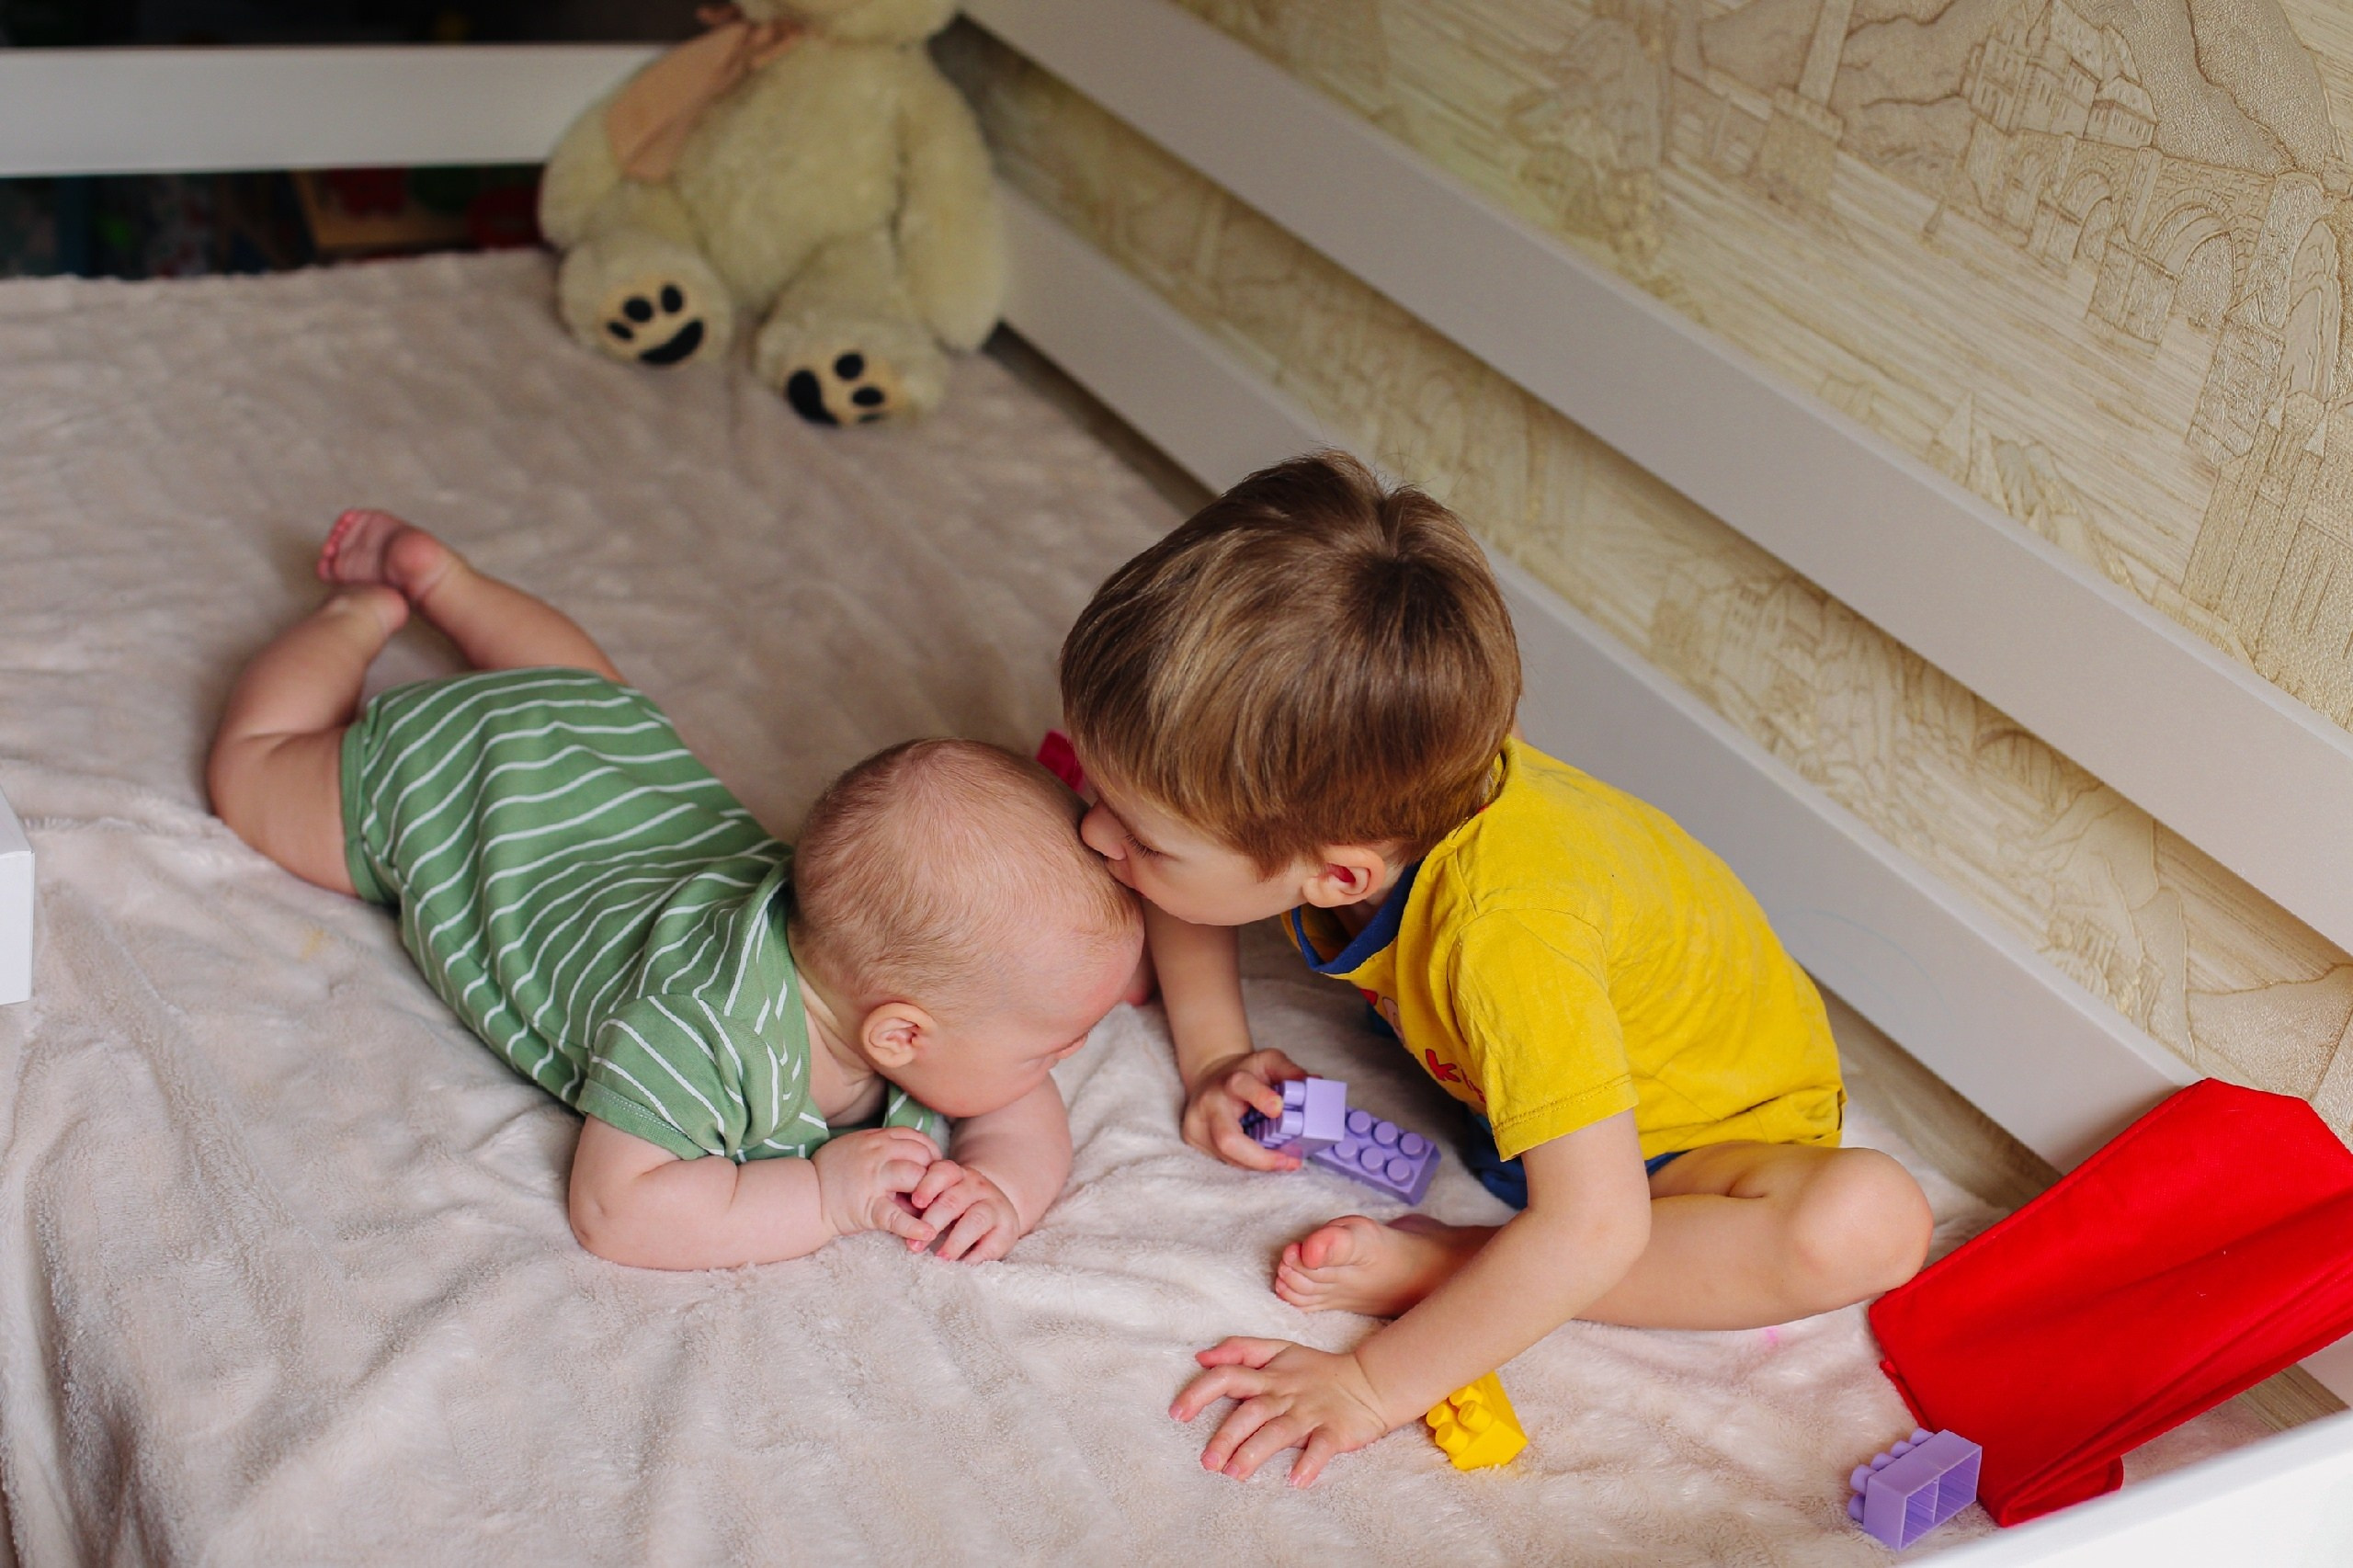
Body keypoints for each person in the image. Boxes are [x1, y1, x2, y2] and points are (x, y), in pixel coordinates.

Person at [1058, 453, 1933, 1484]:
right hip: (1519, 1097)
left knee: (1867, 1224)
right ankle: (1487, 1255)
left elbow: (1597, 1223)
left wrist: (1373, 1384)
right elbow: (1188, 879)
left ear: (1339, 873)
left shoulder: (1506, 934)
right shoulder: (1388, 779)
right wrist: (1215, 1055)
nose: (1091, 830)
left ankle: (1453, 1262)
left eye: (1146, 841)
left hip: (1689, 1156)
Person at [209, 509, 1141, 1270]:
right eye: (1046, 1048)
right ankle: (356, 618)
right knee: (252, 774)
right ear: (899, 1033)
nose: (1057, 1064)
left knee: (586, 687)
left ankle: (447, 583)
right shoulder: (700, 1029)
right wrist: (823, 1194)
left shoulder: (887, 969)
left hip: (606, 748)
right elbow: (618, 1209)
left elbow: (1013, 1107)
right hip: (466, 798)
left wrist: (1003, 1189)